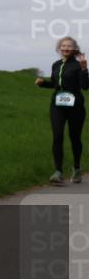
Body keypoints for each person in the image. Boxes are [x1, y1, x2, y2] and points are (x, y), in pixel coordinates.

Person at [35, 36, 89, 184]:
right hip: (57, 105)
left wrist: (84, 69)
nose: (65, 48)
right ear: (59, 48)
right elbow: (55, 84)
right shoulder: (56, 64)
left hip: (75, 106)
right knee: (57, 136)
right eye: (63, 45)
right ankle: (58, 172)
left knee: (74, 138)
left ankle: (77, 169)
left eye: (69, 46)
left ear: (74, 49)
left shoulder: (79, 65)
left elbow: (84, 86)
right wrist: (42, 83)